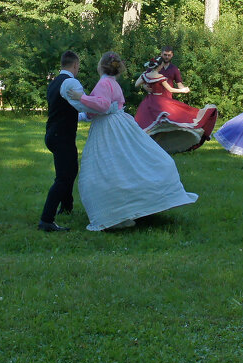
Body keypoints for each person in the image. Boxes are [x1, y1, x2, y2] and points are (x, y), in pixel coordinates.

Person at [71, 52, 197, 231]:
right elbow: (100, 108)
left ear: (101, 66)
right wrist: (82, 115)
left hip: (109, 129)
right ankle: (128, 208)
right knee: (123, 164)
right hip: (118, 125)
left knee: (107, 169)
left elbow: (103, 105)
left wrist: (80, 98)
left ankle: (117, 213)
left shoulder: (104, 83)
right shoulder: (111, 82)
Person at [39, 50, 86, 232]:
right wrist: (102, 106)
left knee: (68, 171)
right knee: (64, 177)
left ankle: (67, 207)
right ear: (75, 65)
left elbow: (68, 111)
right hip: (62, 136)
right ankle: (46, 220)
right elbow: (83, 104)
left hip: (53, 134)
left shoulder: (54, 83)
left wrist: (86, 116)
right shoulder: (70, 82)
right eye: (78, 67)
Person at [134, 57, 218, 153]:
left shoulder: (145, 75)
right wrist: (183, 90)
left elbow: (136, 84)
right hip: (160, 102)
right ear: (160, 66)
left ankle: (149, 146)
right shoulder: (160, 77)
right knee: (170, 120)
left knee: (145, 123)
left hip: (148, 102)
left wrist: (146, 87)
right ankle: (154, 146)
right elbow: (170, 89)